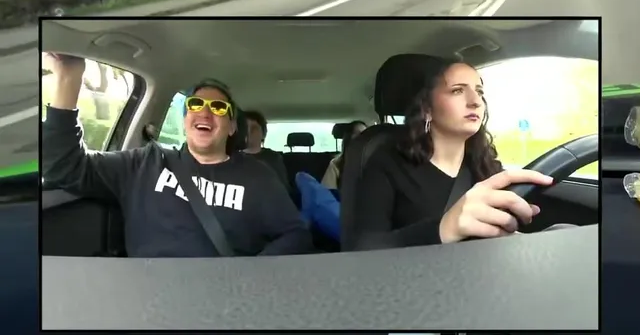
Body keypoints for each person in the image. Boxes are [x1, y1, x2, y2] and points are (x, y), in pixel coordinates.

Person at [40, 53, 313, 258]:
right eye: (196, 104)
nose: (205, 112)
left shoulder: (258, 176)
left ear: (231, 127)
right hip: (150, 297)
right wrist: (69, 78)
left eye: (219, 108)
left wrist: (250, 275)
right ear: (185, 120)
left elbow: (296, 234)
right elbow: (64, 166)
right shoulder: (143, 163)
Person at [348, 59, 558, 250]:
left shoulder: (486, 166)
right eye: (457, 91)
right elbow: (365, 247)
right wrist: (443, 228)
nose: (475, 101)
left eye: (480, 92)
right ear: (427, 109)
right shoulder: (387, 163)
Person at [241, 110, 291, 189]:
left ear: (263, 134)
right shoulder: (231, 157)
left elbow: (282, 187)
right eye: (245, 128)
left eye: (254, 128)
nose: (248, 132)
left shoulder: (273, 158)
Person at [320, 120, 367, 190]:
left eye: (365, 134)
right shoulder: (336, 164)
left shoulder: (375, 162)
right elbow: (327, 192)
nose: (363, 137)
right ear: (349, 138)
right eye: (358, 133)